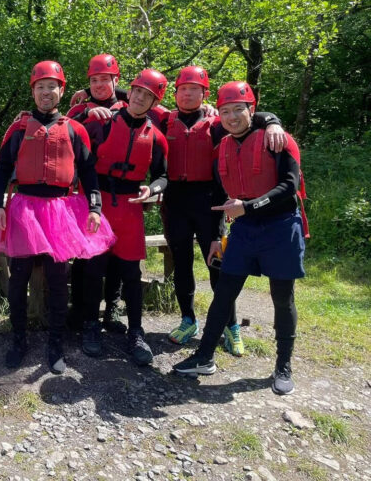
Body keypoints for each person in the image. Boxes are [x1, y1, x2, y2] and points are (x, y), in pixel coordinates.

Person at [173, 81, 307, 396]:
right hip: (243, 230)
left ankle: (283, 366)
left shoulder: (278, 140)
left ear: (252, 109)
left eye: (239, 109)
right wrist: (219, 235)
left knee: (282, 297)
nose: (232, 117)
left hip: (281, 226)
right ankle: (204, 357)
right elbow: (222, 197)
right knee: (224, 293)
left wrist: (247, 206)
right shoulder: (222, 147)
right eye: (225, 111)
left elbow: (289, 186)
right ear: (217, 114)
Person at [0, 60, 116, 374]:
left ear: (62, 90)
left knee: (58, 280)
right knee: (19, 279)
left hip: (60, 209)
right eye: (40, 86)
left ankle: (55, 343)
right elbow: (2, 169)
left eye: (52, 86)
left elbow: (88, 172)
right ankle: (18, 339)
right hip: (24, 209)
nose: (46, 92)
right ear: (33, 91)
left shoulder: (75, 129)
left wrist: (95, 207)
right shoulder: (19, 128)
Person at [160, 66, 285, 356]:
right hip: (175, 202)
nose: (188, 93)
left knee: (218, 266)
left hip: (210, 202)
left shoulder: (218, 122)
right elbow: (134, 100)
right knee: (181, 264)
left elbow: (253, 117)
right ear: (175, 92)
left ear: (205, 94)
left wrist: (274, 122)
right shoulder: (165, 120)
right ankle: (188, 319)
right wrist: (88, 95)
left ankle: (231, 327)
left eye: (195, 89)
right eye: (182, 88)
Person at [79, 68, 169, 365]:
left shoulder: (155, 137)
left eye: (149, 96)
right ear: (129, 92)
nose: (141, 98)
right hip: (99, 202)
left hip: (131, 205)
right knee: (93, 269)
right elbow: (80, 158)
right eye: (138, 92)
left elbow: (163, 176)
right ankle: (90, 325)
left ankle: (136, 332)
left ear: (155, 103)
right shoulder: (102, 124)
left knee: (131, 273)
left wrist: (153, 190)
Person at [66, 54, 127, 334]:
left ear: (116, 79)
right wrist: (86, 109)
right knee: (85, 254)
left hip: (120, 192)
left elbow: (164, 111)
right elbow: (60, 124)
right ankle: (79, 310)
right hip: (87, 191)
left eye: (105, 79)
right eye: (94, 80)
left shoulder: (131, 104)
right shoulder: (80, 109)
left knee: (115, 255)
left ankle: (112, 309)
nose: (100, 85)